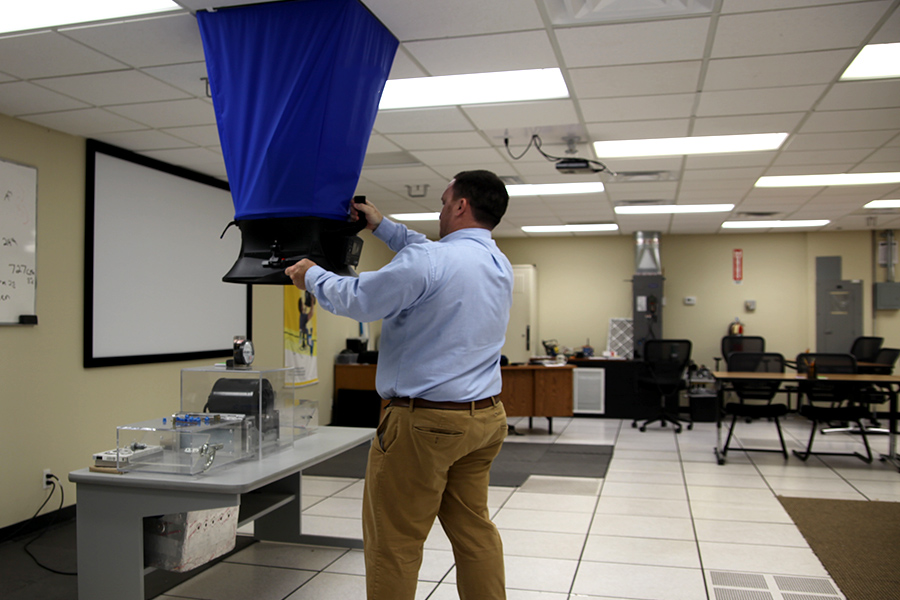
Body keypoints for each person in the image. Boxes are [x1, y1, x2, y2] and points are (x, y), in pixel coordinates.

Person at [285, 169, 513, 600]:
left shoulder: (431, 261)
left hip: (424, 427)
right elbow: (427, 254)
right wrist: (381, 225)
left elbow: (359, 299)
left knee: (395, 545)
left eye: (445, 201)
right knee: (474, 533)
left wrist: (312, 275)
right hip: (483, 420)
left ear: (461, 205)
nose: (441, 208)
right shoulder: (496, 261)